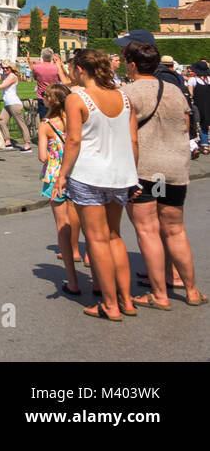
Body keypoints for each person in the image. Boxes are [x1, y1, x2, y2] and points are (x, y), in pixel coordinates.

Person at [50, 49, 138, 321]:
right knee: (114, 235)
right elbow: (134, 141)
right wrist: (132, 173)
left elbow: (74, 141)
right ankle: (127, 300)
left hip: (89, 174)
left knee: (97, 239)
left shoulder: (77, 99)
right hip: (120, 174)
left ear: (78, 70)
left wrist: (62, 175)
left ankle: (110, 305)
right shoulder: (124, 97)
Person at [122, 41, 205, 308]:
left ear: (132, 65)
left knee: (148, 230)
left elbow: (127, 134)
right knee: (175, 229)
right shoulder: (174, 90)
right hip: (175, 166)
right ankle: (191, 290)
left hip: (148, 168)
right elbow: (186, 124)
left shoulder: (128, 93)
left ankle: (159, 295)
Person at [38, 83, 84, 294]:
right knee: (79, 219)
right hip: (77, 172)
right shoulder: (76, 120)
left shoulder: (46, 124)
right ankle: (81, 251)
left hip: (55, 175)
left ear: (50, 101)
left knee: (61, 224)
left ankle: (72, 280)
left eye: (45, 96)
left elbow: (42, 157)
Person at [0, 60, 33, 151]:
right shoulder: (5, 75)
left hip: (14, 104)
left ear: (11, 68)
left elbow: (2, 86)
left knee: (20, 124)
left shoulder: (12, 76)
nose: (5, 69)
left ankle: (27, 144)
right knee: (1, 121)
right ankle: (7, 141)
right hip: (8, 104)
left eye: (7, 68)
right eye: (3, 68)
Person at [29, 49, 70, 122]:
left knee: (44, 119)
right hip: (55, 95)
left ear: (42, 56)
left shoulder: (37, 67)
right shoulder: (56, 67)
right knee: (57, 119)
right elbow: (63, 78)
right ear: (51, 57)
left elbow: (35, 78)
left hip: (42, 96)